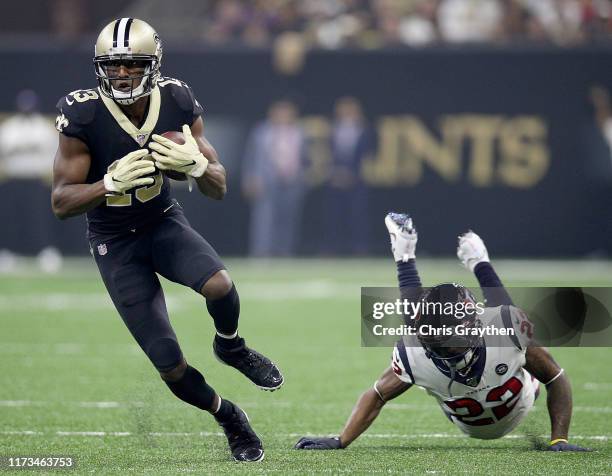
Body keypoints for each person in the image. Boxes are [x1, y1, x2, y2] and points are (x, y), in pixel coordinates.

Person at [51, 18, 283, 462]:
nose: (121, 75)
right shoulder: (82, 113)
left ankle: (230, 346)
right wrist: (106, 185)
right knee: (170, 364)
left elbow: (219, 186)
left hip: (161, 221)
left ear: (153, 64)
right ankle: (229, 415)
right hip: (114, 240)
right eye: (112, 66)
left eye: (132, 65)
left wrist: (197, 167)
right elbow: (61, 202)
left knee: (219, 284)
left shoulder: (176, 99)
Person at [295, 213, 590, 452]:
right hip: (463, 419)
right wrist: (340, 440)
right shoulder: (416, 351)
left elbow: (554, 377)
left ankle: (458, 259)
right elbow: (376, 394)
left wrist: (559, 440)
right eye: (443, 345)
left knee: (507, 319)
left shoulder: (506, 332)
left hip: (524, 398)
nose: (451, 350)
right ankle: (418, 254)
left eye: (455, 343)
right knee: (422, 324)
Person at [241, 99, 306, 257]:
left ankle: (284, 253)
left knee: (288, 219)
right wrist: (250, 178)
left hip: (292, 182)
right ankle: (262, 253)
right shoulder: (261, 132)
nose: (284, 116)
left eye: (287, 112)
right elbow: (251, 157)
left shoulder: (299, 132)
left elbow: (305, 159)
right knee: (264, 218)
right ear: (272, 114)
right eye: (280, 112)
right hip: (266, 181)